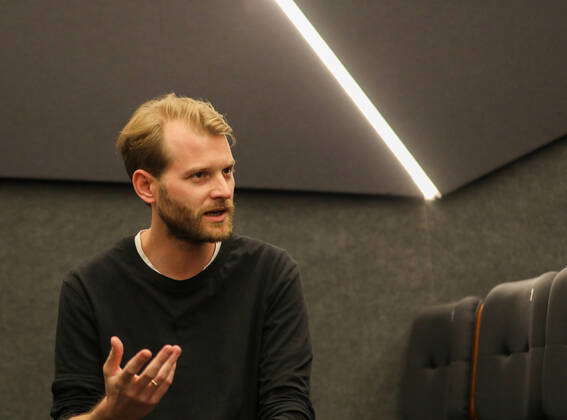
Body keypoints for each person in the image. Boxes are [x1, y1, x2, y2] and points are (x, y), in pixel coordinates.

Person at [51, 93, 315, 420]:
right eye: (199, 176)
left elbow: (289, 405)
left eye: (227, 171)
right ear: (147, 186)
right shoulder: (89, 288)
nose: (222, 190)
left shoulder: (269, 273)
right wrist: (111, 414)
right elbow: (70, 410)